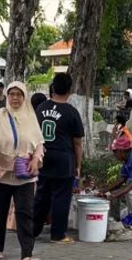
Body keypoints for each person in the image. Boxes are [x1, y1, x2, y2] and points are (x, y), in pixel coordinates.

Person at [0, 81, 45, 260]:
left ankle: (27, 254)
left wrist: (35, 160)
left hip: (24, 172)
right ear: (7, 97)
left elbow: (39, 143)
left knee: (25, 212)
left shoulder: (31, 117)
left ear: (24, 97)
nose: (15, 98)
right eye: (12, 94)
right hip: (0, 172)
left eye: (19, 94)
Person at [33, 73, 84, 244]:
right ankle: (58, 235)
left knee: (42, 195)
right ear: (70, 90)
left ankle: (32, 230)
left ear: (53, 88)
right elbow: (77, 143)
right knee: (61, 198)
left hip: (43, 156)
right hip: (64, 159)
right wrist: (78, 165)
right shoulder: (71, 112)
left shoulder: (40, 108)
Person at [7, 91, 49, 232]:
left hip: (22, 160)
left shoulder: (29, 116)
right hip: (30, 161)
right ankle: (22, 223)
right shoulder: (32, 118)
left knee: (16, 198)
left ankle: (13, 223)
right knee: (28, 197)